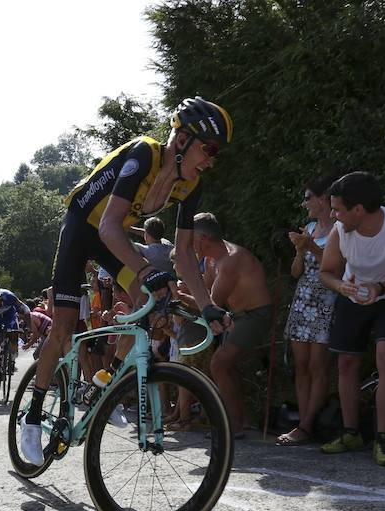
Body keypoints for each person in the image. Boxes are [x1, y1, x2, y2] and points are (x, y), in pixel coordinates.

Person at [21, 97, 234, 465]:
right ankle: (33, 416)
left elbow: (183, 255)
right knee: (64, 325)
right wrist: (147, 270)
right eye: (209, 148)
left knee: (147, 303)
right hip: (84, 227)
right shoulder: (145, 154)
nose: (212, 159)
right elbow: (106, 226)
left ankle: (104, 382)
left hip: (112, 234)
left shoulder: (189, 185)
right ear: (182, 140)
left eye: (218, 153)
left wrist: (209, 305)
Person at [318, 171, 385, 466]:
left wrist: (381, 287)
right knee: (346, 361)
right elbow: (326, 271)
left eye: (338, 209)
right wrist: (341, 286)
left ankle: (384, 439)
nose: (333, 214)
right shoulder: (341, 231)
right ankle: (351, 432)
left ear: (358, 209)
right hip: (354, 296)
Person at [193, 212, 272, 438]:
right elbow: (203, 295)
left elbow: (211, 303)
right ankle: (241, 420)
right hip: (238, 316)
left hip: (255, 315)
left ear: (203, 238)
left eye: (191, 239)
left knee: (219, 364)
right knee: (226, 365)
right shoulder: (209, 259)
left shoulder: (231, 259)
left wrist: (180, 296)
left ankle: (232, 424)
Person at [277, 177, 338, 446]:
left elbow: (337, 268)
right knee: (301, 366)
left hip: (327, 299)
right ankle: (305, 422)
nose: (304, 204)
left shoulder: (339, 229)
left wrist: (310, 246)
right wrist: (300, 251)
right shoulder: (310, 227)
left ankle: (306, 425)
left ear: (323, 198)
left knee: (318, 366)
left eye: (308, 198)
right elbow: (295, 272)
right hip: (303, 300)